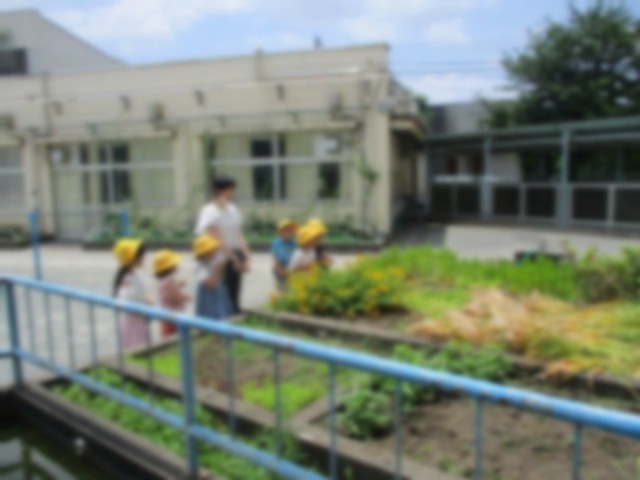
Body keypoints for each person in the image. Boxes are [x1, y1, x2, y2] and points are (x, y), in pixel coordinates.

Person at [194, 175, 250, 314]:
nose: (232, 193)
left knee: (234, 291)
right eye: (228, 190)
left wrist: (245, 257)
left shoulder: (232, 209)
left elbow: (238, 234)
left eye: (232, 190)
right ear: (218, 191)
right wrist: (233, 258)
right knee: (220, 294)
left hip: (234, 254)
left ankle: (234, 317)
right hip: (217, 259)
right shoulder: (209, 211)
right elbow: (216, 239)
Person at [112, 238, 151, 350]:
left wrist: (147, 298)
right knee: (135, 349)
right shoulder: (126, 279)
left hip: (138, 320)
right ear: (133, 259)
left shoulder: (133, 274)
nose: (144, 258)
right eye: (141, 256)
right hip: (132, 322)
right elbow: (127, 299)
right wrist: (146, 300)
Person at [193, 235, 233, 320]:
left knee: (222, 313)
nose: (215, 252)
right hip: (208, 299)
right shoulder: (201, 268)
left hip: (219, 295)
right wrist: (218, 270)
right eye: (213, 250)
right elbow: (211, 285)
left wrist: (221, 269)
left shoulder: (213, 262)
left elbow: (220, 278)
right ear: (206, 253)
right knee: (211, 317)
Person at [153, 249, 191, 337]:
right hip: (173, 317)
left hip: (166, 315)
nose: (177, 264)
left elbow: (168, 292)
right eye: (174, 263)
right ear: (169, 266)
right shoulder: (169, 280)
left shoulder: (162, 280)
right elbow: (174, 299)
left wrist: (178, 285)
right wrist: (186, 296)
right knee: (175, 338)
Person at [271, 218, 297, 290]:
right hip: (280, 266)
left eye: (290, 230)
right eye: (285, 230)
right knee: (282, 287)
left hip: (291, 267)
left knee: (291, 287)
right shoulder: (276, 243)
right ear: (280, 232)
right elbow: (275, 257)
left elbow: (297, 256)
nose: (288, 232)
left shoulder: (295, 243)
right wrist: (277, 268)